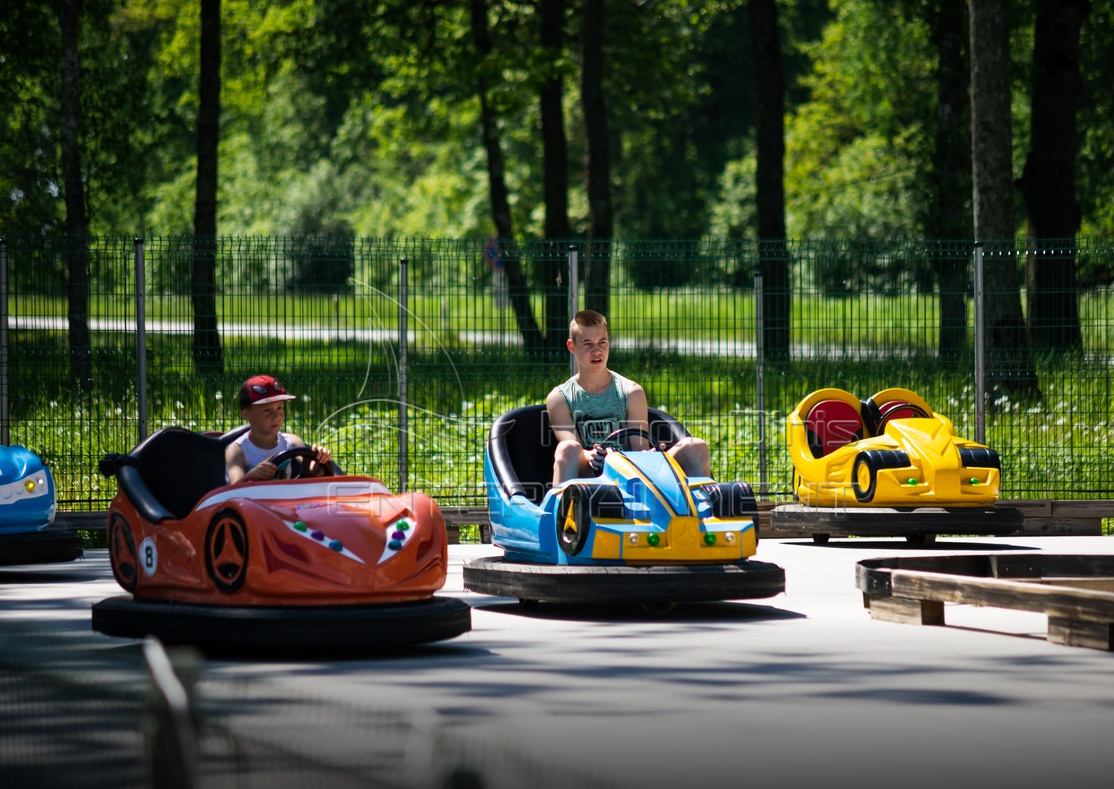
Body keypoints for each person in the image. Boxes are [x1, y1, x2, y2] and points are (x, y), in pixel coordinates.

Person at [546, 310, 710, 486]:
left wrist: (651, 455)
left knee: (696, 446)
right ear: (572, 346)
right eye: (588, 344)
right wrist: (590, 455)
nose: (597, 351)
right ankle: (563, 509)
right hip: (590, 472)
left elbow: (639, 449)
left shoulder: (631, 392)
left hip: (632, 475)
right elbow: (572, 448)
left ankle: (703, 508)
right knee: (566, 449)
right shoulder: (559, 398)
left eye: (602, 342)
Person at [225, 374, 332, 484]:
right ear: (246, 413)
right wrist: (252, 474)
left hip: (284, 500)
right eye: (267, 410)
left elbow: (311, 472)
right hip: (249, 500)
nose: (276, 415)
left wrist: (320, 458)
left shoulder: (292, 442)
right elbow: (233, 488)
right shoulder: (237, 450)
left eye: (279, 408)